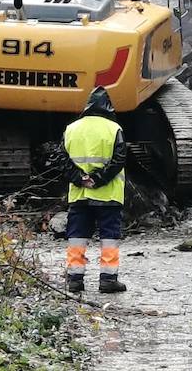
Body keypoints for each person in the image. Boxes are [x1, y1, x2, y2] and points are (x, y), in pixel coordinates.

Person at [60, 86, 128, 293]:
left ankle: (75, 279)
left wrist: (80, 179)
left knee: (77, 236)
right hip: (108, 195)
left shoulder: (71, 129)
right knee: (109, 237)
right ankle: (108, 280)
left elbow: (62, 161)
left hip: (79, 195)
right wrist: (98, 179)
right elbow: (119, 160)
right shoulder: (114, 129)